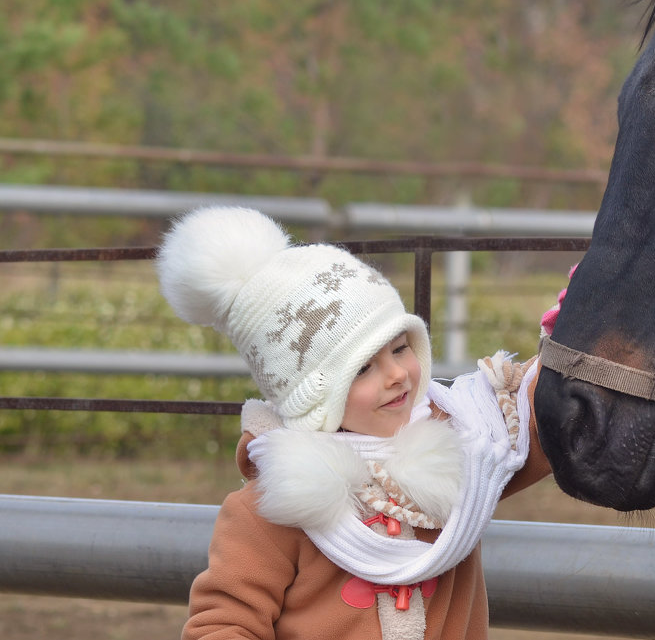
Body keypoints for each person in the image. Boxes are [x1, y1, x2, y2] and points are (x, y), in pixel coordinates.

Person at [155, 206, 551, 640]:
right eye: (362, 368)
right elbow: (224, 624)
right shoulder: (272, 509)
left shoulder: (466, 449)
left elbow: (544, 420)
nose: (397, 373)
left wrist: (575, 332)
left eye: (400, 347)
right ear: (314, 399)